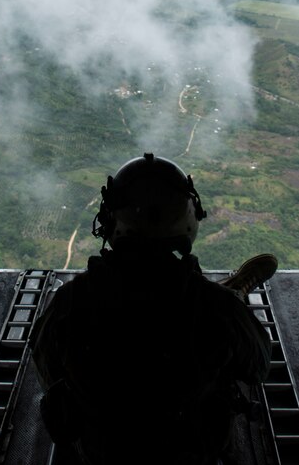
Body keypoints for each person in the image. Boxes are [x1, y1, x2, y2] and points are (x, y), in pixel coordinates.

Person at [31, 153, 277, 465]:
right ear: (188, 220)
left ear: (109, 222)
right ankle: (236, 290)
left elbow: (47, 368)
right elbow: (257, 367)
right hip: (191, 453)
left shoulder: (70, 302)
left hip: (103, 453)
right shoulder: (216, 308)